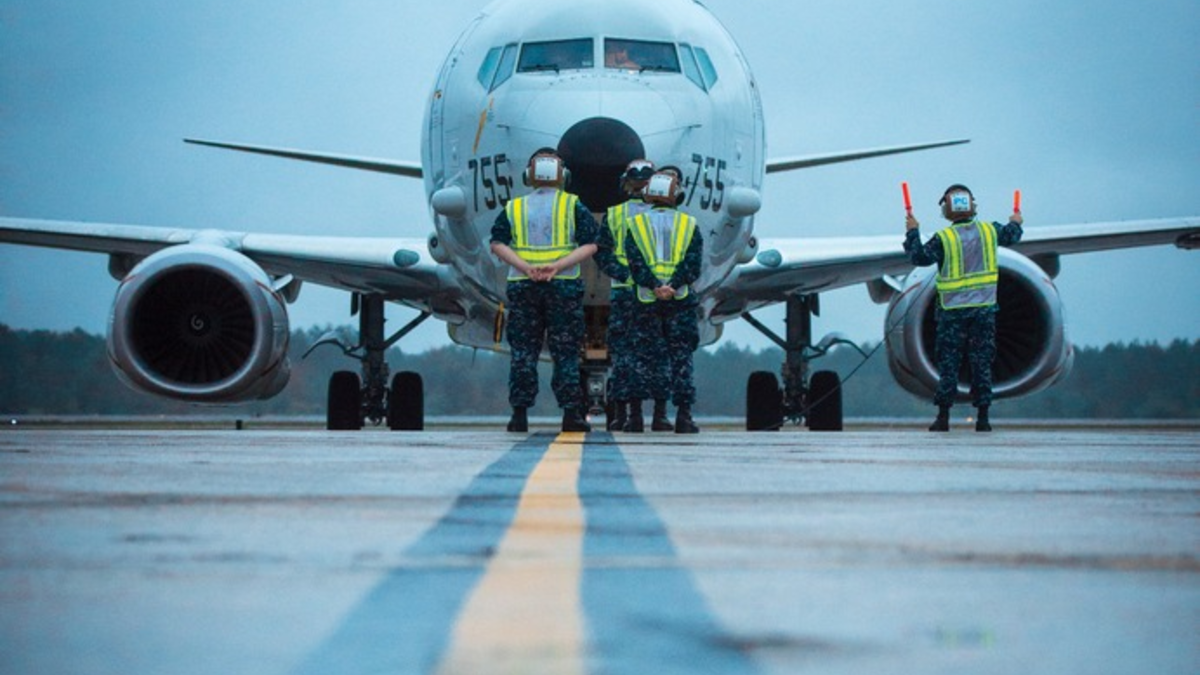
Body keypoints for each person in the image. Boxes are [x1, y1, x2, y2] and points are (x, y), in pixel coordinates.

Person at [490, 148, 599, 432]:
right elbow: (591, 244)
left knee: (523, 352)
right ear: (563, 175)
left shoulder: (514, 207)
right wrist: (557, 266)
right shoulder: (573, 205)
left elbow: (497, 243)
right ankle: (571, 414)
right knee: (566, 353)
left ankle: (519, 415)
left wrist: (526, 267)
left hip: (524, 287)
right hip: (562, 286)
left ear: (529, 176)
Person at [904, 184, 1023, 432]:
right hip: (984, 310)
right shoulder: (990, 231)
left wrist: (913, 232)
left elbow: (918, 258)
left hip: (952, 312)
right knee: (982, 363)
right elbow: (1012, 235)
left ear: (946, 210)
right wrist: (1016, 221)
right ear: (973, 206)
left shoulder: (944, 239)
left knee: (949, 363)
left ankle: (943, 417)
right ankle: (983, 418)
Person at [594, 159, 673, 432]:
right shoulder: (620, 214)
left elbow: (602, 253)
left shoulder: (617, 214)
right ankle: (640, 414)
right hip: (647, 292)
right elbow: (602, 251)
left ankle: (638, 415)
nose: (639, 184)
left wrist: (626, 274)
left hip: (638, 292)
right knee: (643, 354)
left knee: (635, 354)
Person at [624, 168, 704, 434]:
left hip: (645, 300)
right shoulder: (689, 224)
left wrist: (655, 286)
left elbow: (634, 264)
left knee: (642, 358)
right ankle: (682, 417)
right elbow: (693, 265)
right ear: (677, 195)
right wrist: (673, 286)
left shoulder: (635, 225)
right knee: (680, 358)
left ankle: (635, 417)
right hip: (679, 300)